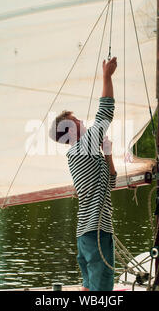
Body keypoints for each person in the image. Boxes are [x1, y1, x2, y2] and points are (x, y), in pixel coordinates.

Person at [49, 57, 118, 291]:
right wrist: (107, 77)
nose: (81, 120)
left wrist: (107, 154)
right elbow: (105, 113)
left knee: (89, 288)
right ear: (70, 130)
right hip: (97, 232)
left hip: (86, 235)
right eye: (75, 120)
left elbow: (110, 181)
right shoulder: (83, 146)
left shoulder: (78, 154)